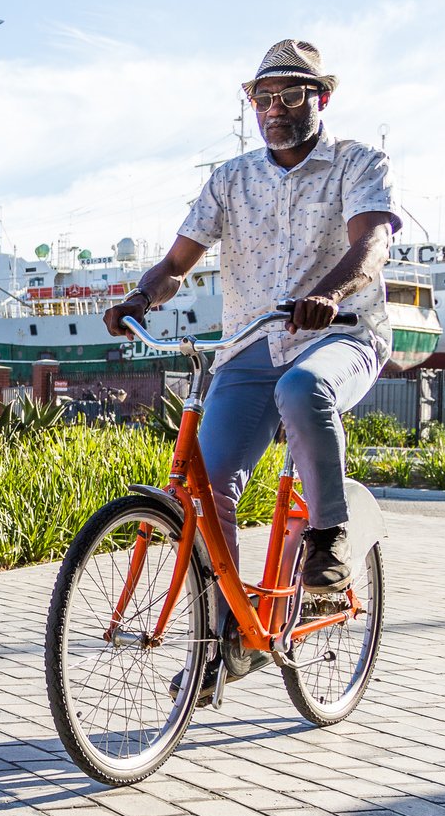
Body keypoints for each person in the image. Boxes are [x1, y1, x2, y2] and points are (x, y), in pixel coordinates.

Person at [106, 40, 399, 682]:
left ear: (320, 98)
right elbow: (179, 262)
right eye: (261, 97)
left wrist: (328, 294)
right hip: (249, 346)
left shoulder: (357, 162)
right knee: (207, 489)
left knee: (303, 390)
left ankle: (329, 540)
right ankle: (228, 638)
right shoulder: (229, 179)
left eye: (290, 95)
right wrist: (139, 297)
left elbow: (372, 243)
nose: (273, 108)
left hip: (342, 334)